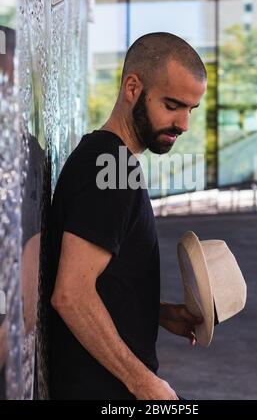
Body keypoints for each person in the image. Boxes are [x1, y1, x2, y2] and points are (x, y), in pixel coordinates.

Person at [49, 32, 207, 400]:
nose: (184, 124)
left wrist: (158, 312)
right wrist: (142, 383)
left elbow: (101, 281)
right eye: (172, 105)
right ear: (132, 87)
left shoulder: (107, 159)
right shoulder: (112, 167)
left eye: (190, 110)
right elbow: (70, 294)